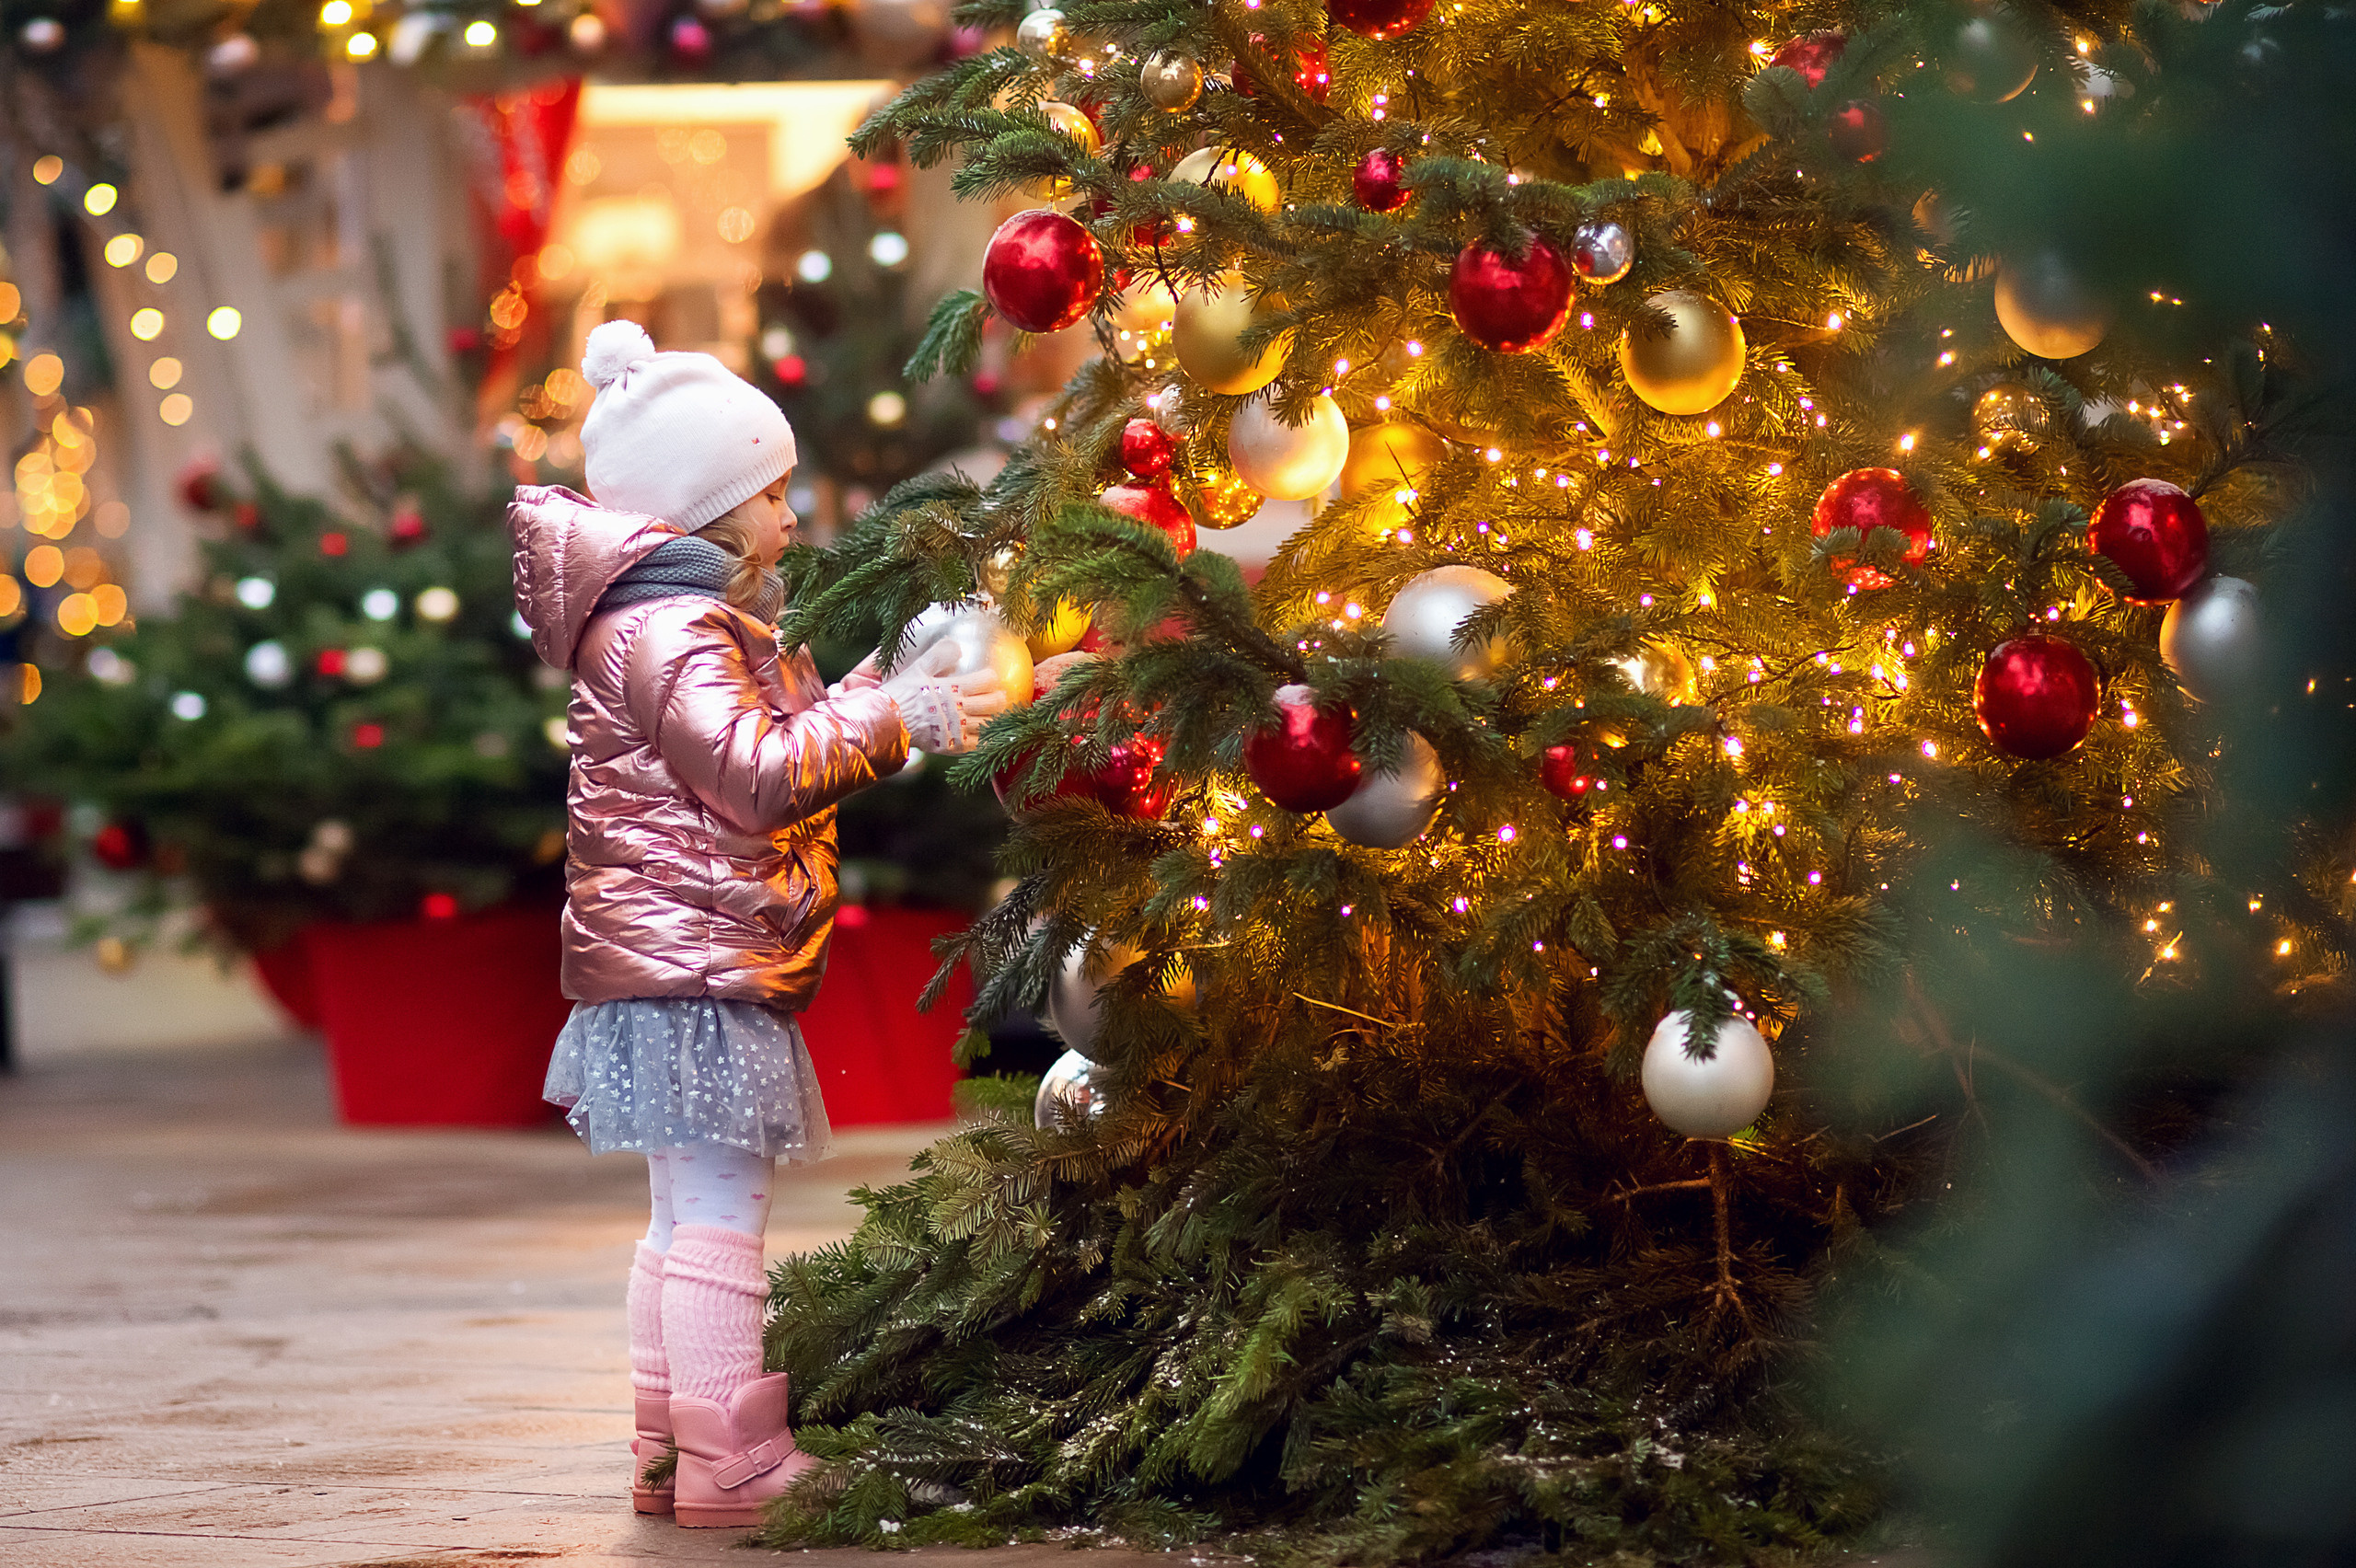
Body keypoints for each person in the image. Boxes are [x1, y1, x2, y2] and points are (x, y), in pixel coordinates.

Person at [507, 319, 1003, 1527]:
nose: (791, 517)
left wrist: (880, 685)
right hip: (698, 962)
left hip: (671, 953)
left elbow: (764, 741)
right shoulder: (678, 630)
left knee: (681, 1212)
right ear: (711, 511)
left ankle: (667, 1442)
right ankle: (733, 1457)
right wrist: (899, 721)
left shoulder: (665, 621)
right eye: (772, 496)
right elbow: (759, 776)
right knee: (722, 1215)